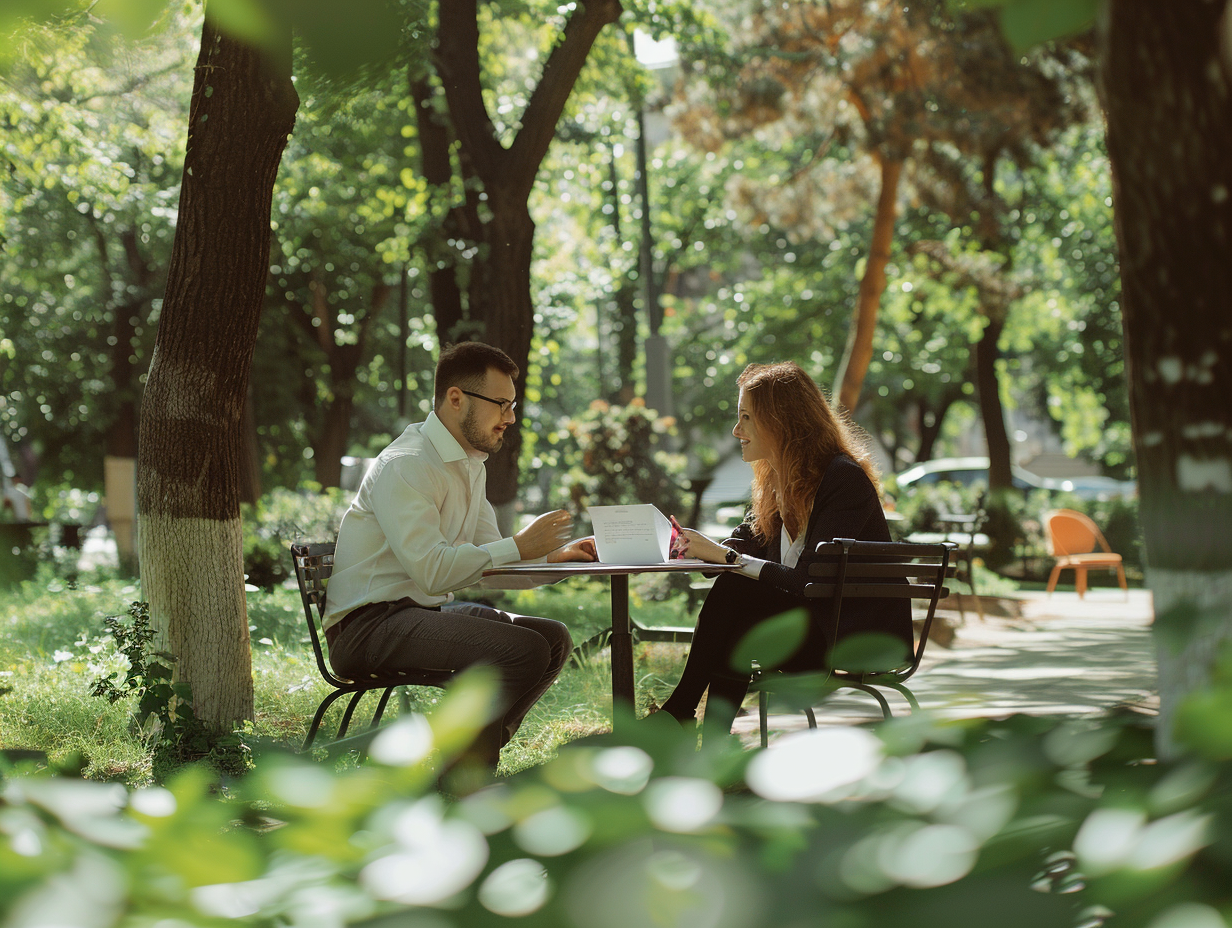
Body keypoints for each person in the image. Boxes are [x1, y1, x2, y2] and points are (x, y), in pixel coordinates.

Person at [322, 341, 596, 770]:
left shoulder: (468, 465)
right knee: (522, 650)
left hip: (419, 615)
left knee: (552, 638)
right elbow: (433, 572)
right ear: (456, 398)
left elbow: (491, 564)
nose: (510, 417)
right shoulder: (407, 464)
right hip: (368, 628)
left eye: (513, 404)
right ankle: (466, 774)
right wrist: (520, 545)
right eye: (502, 404)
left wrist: (554, 561)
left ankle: (466, 757)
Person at [660, 361, 911, 737]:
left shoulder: (843, 480)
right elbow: (746, 541)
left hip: (849, 637)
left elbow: (804, 581)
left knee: (737, 595)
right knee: (737, 600)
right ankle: (701, 733)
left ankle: (684, 718)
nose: (736, 430)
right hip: (808, 630)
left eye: (746, 417)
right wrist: (708, 549)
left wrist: (727, 558)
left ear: (782, 421)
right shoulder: (778, 479)